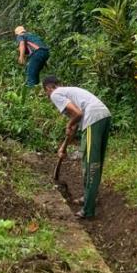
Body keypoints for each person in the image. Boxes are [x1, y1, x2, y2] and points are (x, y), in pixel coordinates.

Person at [43, 77, 112, 220]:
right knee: (96, 163)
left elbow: (78, 114)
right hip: (104, 115)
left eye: (45, 93)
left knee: (90, 164)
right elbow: (74, 125)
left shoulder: (55, 94)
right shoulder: (69, 92)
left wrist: (68, 125)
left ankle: (88, 210)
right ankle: (88, 198)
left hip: (92, 118)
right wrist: (63, 147)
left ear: (49, 88)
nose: (48, 96)